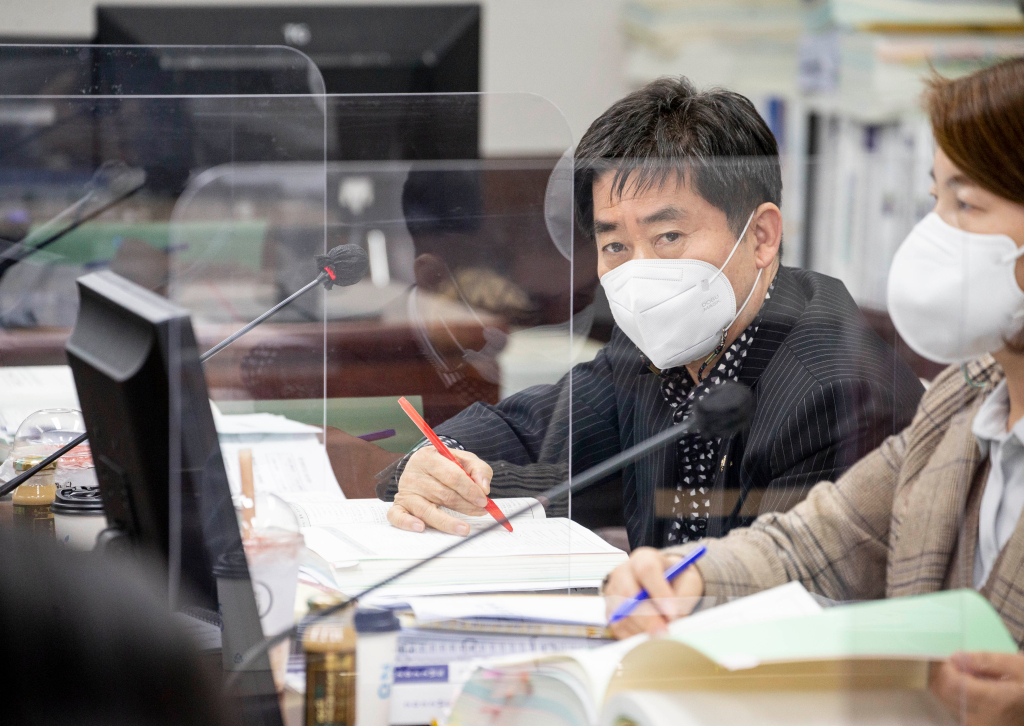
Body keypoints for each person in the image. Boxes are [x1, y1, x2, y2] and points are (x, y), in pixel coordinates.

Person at [602, 57, 1024, 726]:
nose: (932, 234)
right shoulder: (964, 402)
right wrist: (686, 577)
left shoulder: (831, 379)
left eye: (965, 205)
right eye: (933, 199)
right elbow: (819, 540)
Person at [378, 77, 923, 549]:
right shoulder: (655, 349)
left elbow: (772, 594)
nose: (640, 274)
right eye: (615, 246)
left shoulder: (838, 394)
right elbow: (530, 441)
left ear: (761, 236)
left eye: (668, 236)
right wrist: (434, 466)